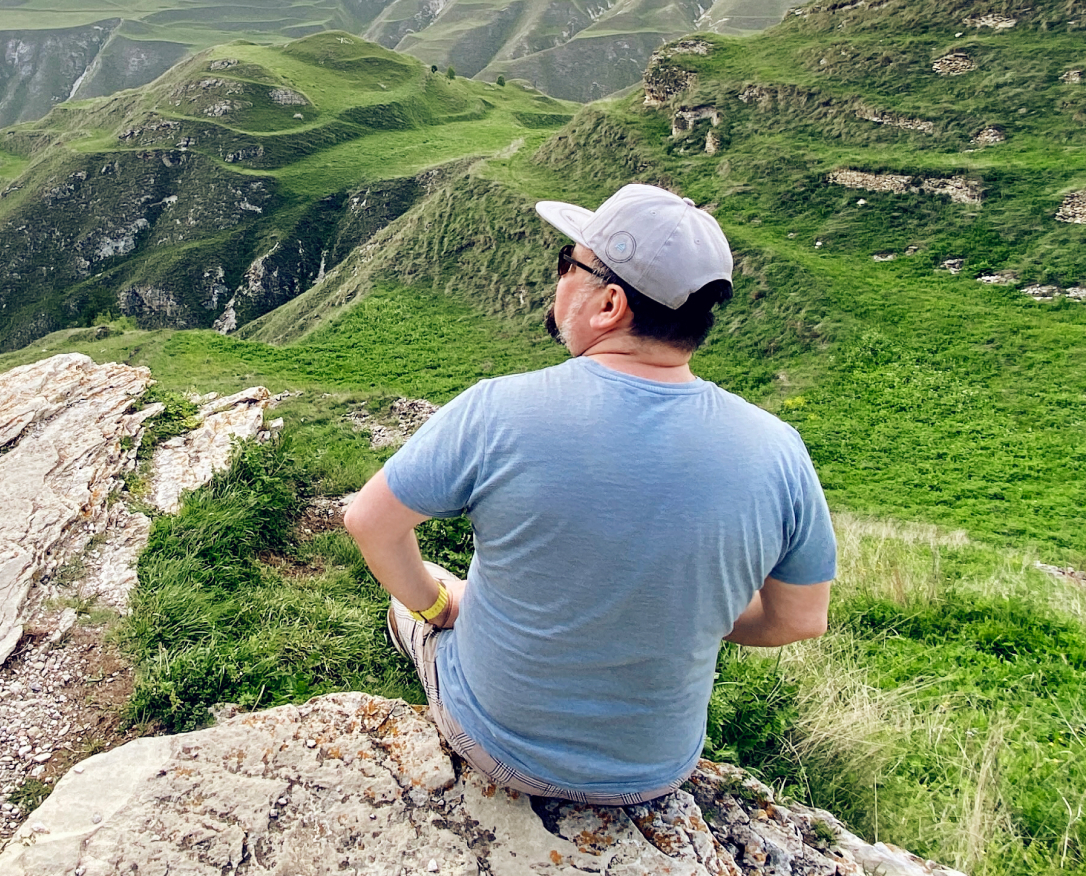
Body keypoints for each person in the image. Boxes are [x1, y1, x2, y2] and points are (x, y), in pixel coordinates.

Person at [342, 183, 837, 805]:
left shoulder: (498, 410)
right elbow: (799, 620)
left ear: (608, 304)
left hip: (500, 748)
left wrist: (435, 606)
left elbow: (368, 522)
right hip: (655, 772)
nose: (558, 283)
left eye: (566, 266)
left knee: (427, 593)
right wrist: (681, 610)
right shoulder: (780, 450)